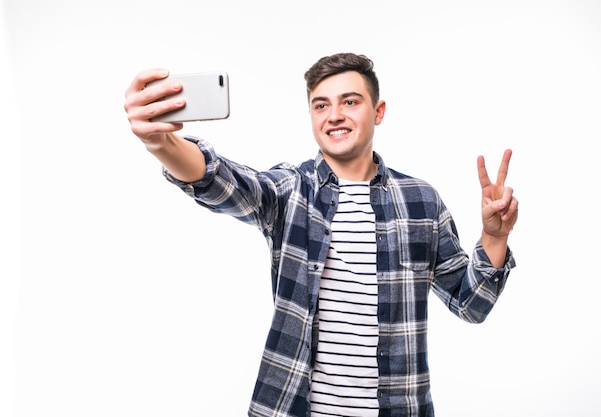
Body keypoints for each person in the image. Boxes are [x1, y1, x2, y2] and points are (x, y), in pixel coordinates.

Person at [123, 52, 518, 417]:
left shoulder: (421, 201)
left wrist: (493, 238)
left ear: (378, 111)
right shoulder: (290, 190)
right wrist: (160, 142)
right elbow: (221, 180)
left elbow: (471, 305)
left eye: (350, 101)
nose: (334, 115)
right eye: (321, 104)